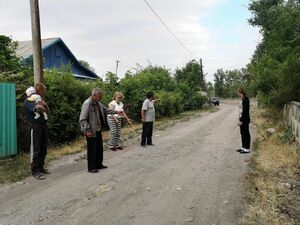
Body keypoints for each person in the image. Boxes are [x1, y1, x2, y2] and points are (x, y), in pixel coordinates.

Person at [79, 88, 117, 173]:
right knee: (92, 149)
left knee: (99, 148)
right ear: (94, 95)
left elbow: (106, 110)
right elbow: (82, 119)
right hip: (90, 130)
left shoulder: (98, 103)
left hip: (98, 129)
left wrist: (116, 112)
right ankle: (91, 167)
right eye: (99, 97)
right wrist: (87, 130)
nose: (100, 98)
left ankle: (99, 164)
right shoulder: (87, 103)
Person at [23, 83, 50, 180]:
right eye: (44, 90)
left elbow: (47, 111)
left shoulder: (39, 99)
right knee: (36, 149)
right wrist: (42, 105)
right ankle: (35, 171)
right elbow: (39, 108)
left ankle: (41, 167)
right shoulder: (28, 101)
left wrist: (45, 105)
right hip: (36, 127)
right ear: (39, 90)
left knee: (43, 147)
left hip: (43, 126)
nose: (45, 91)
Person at [237, 87, 251, 154]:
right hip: (242, 118)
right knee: (242, 133)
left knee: (246, 134)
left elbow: (245, 111)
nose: (238, 95)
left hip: (244, 119)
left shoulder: (246, 99)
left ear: (241, 93)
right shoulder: (243, 99)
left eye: (239, 93)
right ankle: (243, 147)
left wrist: (241, 121)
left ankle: (247, 148)